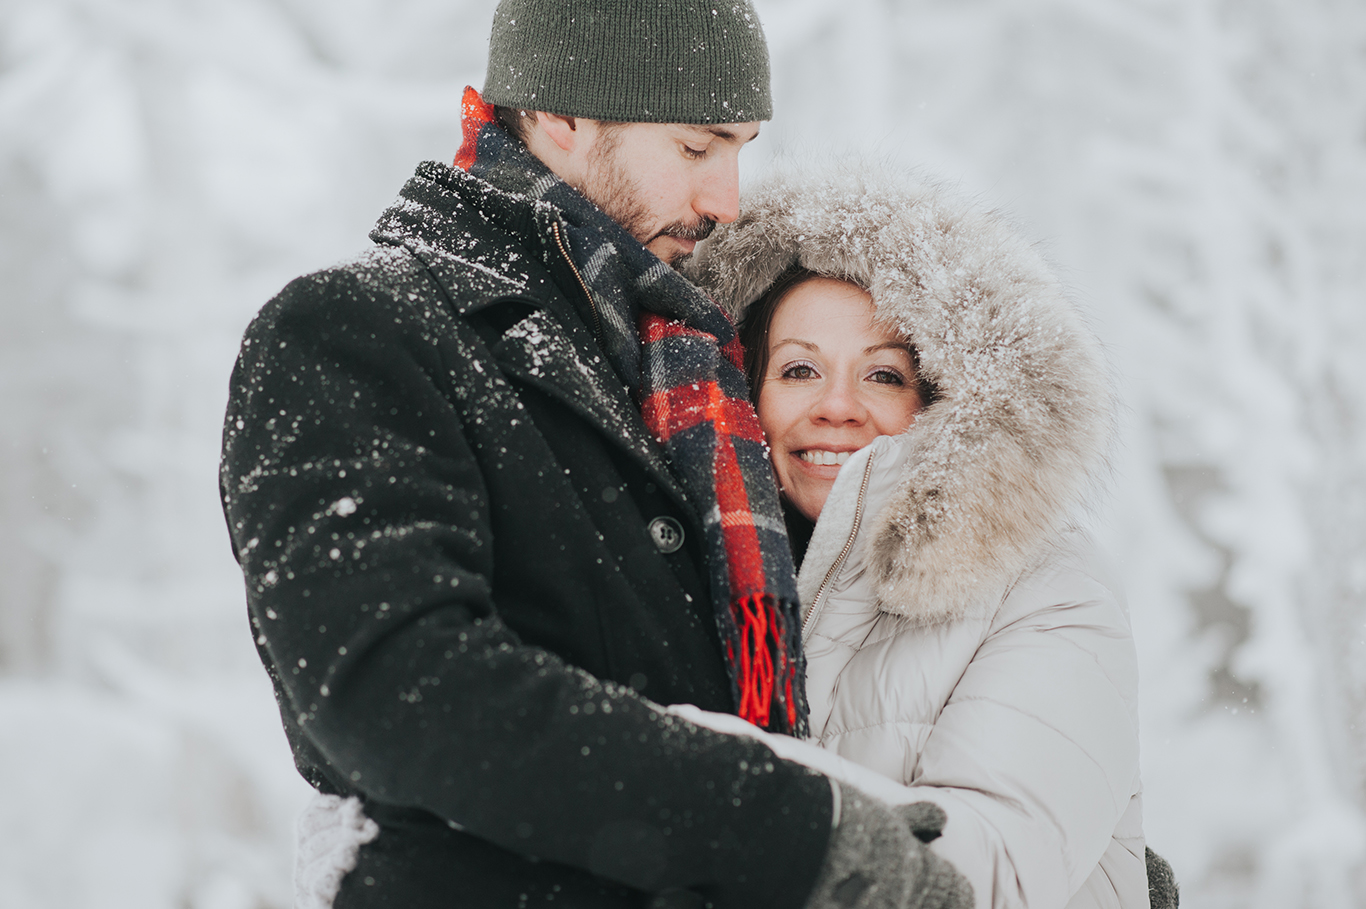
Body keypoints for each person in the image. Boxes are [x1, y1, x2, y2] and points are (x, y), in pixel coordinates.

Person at [219, 2, 971, 908]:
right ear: (560, 116)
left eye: (741, 149)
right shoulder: (356, 334)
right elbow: (395, 690)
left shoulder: (690, 367)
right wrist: (778, 827)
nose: (726, 201)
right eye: (697, 150)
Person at [684, 163, 1175, 909]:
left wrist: (677, 763)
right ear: (748, 389)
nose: (837, 406)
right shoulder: (704, 565)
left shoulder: (1048, 585)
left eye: (883, 375)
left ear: (943, 397)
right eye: (799, 368)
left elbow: (990, 873)